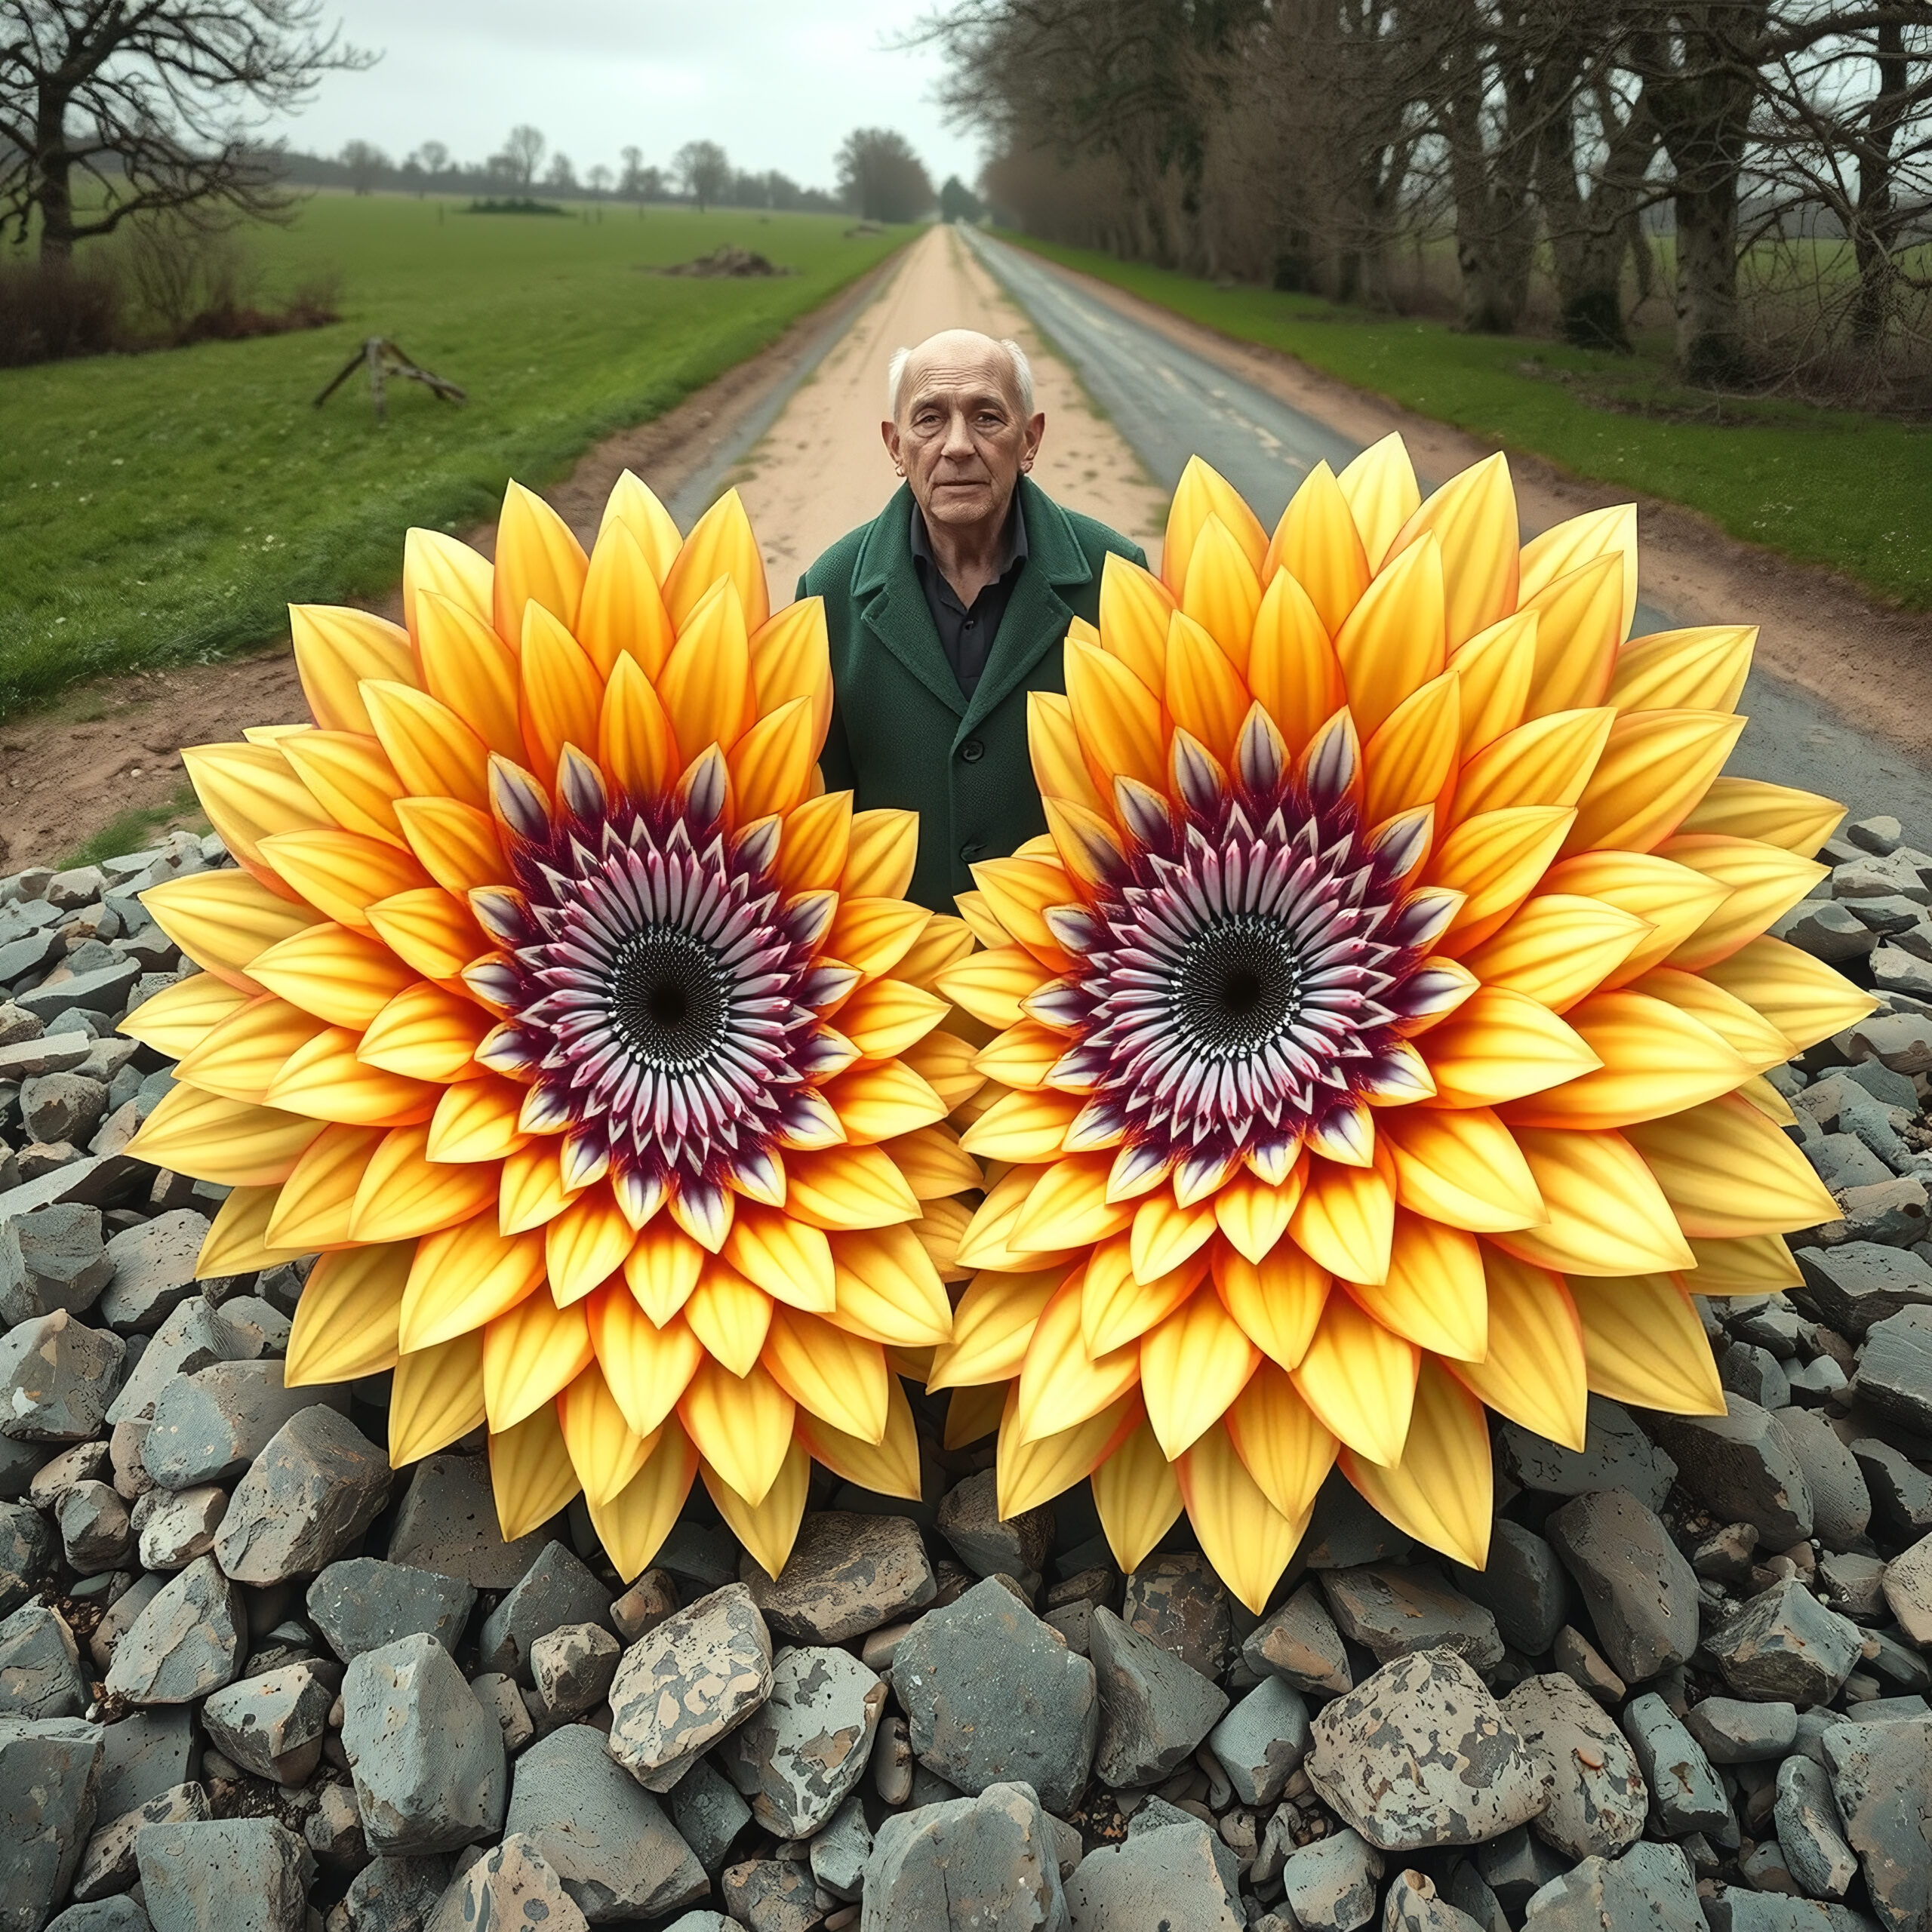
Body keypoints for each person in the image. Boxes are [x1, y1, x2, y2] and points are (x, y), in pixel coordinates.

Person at [798, 328, 1148, 912]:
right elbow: (817, 803)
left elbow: (1146, 791)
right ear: (895, 446)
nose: (957, 445)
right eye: (929, 419)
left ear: (1029, 439)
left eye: (987, 417)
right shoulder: (829, 592)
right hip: (899, 968)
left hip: (1069, 963)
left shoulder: (1116, 577)